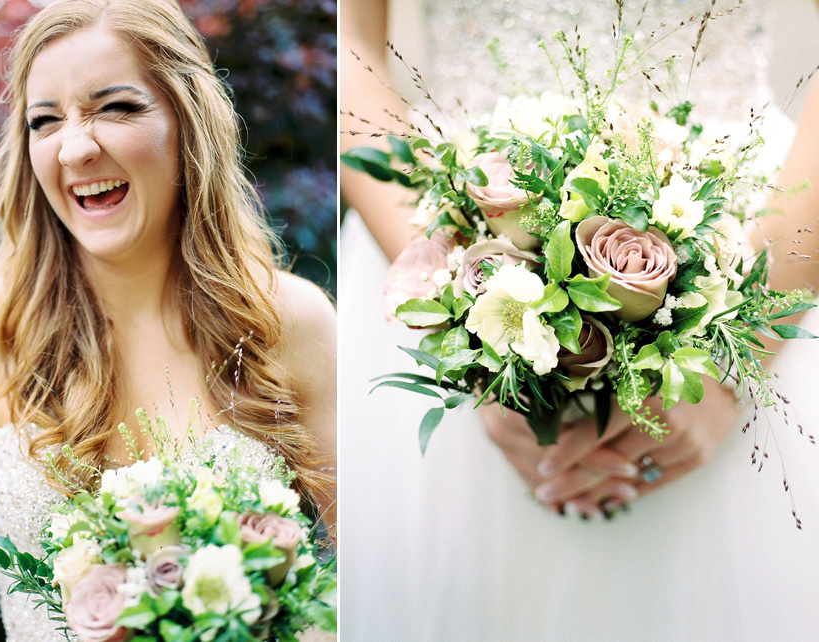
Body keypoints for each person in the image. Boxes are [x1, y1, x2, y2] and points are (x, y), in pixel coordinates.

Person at [340, 0, 819, 639]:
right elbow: (350, 38)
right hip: (447, 216)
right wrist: (463, 315)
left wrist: (741, 349)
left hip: (751, 234)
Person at [0, 0, 337, 639]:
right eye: (45, 121)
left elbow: (369, 561)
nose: (76, 148)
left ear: (188, 122)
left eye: (116, 108)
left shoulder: (293, 319)